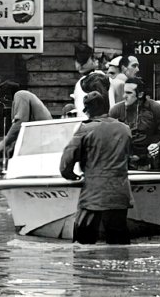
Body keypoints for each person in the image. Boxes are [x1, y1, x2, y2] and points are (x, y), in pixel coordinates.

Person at [59, 91, 133, 245]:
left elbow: (66, 162)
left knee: (82, 246)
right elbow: (131, 156)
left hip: (93, 195)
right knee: (119, 247)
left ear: (88, 110)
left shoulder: (85, 129)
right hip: (120, 194)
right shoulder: (125, 129)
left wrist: (71, 175)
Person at [109, 76, 160, 202]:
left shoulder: (156, 109)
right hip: (126, 156)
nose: (124, 96)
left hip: (151, 154)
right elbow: (109, 139)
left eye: (129, 93)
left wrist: (158, 146)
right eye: (124, 92)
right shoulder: (116, 111)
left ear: (140, 94)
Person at [0, 81, 53, 159]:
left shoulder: (20, 95)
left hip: (42, 136)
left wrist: (5, 142)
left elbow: (20, 122)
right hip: (40, 135)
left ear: (6, 94)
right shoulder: (22, 96)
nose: (0, 101)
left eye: (1, 97)